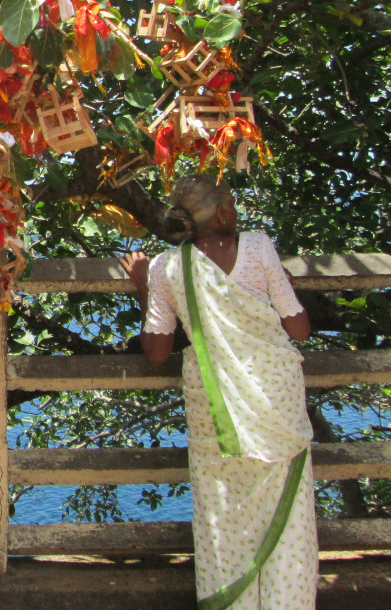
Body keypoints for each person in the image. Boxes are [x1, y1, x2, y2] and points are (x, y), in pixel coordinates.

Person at [119, 174, 317, 610]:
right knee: (288, 515)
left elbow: (157, 352)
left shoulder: (166, 267)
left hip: (215, 403)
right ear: (224, 212)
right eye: (232, 202)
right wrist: (284, 285)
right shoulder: (259, 247)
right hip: (277, 397)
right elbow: (299, 328)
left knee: (223, 514)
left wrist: (144, 285)